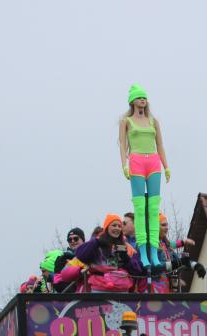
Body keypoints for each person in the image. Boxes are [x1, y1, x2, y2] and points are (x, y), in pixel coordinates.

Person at [120, 85, 171, 271]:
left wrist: (166, 166)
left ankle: (153, 251)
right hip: (136, 161)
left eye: (144, 97)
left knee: (153, 208)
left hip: (153, 162)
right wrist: (124, 165)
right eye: (139, 97)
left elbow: (160, 145)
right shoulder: (126, 122)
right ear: (132, 101)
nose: (142, 100)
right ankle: (143, 252)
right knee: (140, 208)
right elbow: (122, 146)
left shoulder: (153, 121)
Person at [62, 213, 144, 291]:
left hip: (121, 291)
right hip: (98, 291)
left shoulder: (127, 247)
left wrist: (126, 259)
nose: (117, 228)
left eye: (119, 226)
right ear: (107, 227)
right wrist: (96, 242)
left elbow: (138, 271)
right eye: (114, 225)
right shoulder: (96, 245)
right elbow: (80, 255)